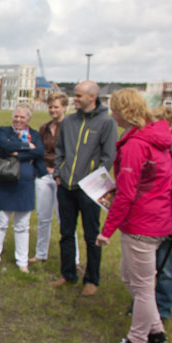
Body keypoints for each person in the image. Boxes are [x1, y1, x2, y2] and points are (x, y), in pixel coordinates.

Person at [97, 89, 172, 343]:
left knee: (141, 286)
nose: (112, 114)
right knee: (130, 277)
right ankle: (156, 331)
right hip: (156, 218)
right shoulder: (154, 139)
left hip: (142, 223)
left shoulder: (136, 145)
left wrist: (107, 231)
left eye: (114, 109)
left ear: (124, 111)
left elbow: (128, 193)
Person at [50, 81, 117, 296]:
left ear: (92, 97)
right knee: (66, 233)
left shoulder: (106, 123)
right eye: (74, 95)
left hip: (90, 190)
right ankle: (68, 274)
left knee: (91, 235)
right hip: (65, 187)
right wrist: (59, 173)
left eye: (78, 96)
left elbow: (108, 158)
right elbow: (59, 150)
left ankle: (92, 279)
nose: (74, 99)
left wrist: (91, 181)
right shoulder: (68, 121)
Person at [0, 104, 46, 273]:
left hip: (26, 183)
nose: (18, 120)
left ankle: (22, 261)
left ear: (28, 119)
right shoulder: (3, 131)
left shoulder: (34, 134)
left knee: (22, 224)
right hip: (6, 181)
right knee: (0, 222)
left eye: (22, 117)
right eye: (16, 116)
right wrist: (28, 148)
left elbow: (40, 152)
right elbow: (4, 147)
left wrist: (17, 152)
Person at [31, 92, 80, 266]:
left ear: (64, 107)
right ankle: (40, 253)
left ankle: (73, 259)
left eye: (56, 106)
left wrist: (60, 172)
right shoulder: (44, 128)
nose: (53, 110)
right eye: (50, 106)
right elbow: (39, 151)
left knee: (65, 218)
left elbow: (73, 154)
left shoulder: (72, 126)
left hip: (63, 178)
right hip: (44, 176)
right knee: (43, 216)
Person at [150, 105, 172, 322]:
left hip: (170, 220)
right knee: (145, 266)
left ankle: (162, 308)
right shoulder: (152, 149)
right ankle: (142, 305)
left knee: (164, 266)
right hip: (149, 218)